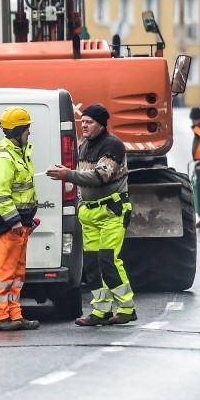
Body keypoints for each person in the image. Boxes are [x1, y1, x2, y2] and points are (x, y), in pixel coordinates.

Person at [47, 104, 137, 326]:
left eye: (90, 122)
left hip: (111, 212)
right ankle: (101, 311)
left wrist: (68, 174)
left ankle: (127, 308)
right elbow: (83, 176)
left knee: (108, 260)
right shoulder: (84, 144)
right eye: (83, 121)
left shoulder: (113, 145)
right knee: (92, 264)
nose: (84, 125)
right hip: (90, 213)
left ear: (101, 124)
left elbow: (100, 176)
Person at [0, 106, 40, 331]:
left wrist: (26, 220)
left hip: (20, 225)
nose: (29, 133)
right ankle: (0, 316)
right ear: (18, 130)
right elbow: (0, 195)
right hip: (10, 225)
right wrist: (15, 221)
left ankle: (14, 314)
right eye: (27, 129)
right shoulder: (4, 157)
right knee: (4, 272)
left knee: (17, 273)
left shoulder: (19, 151)